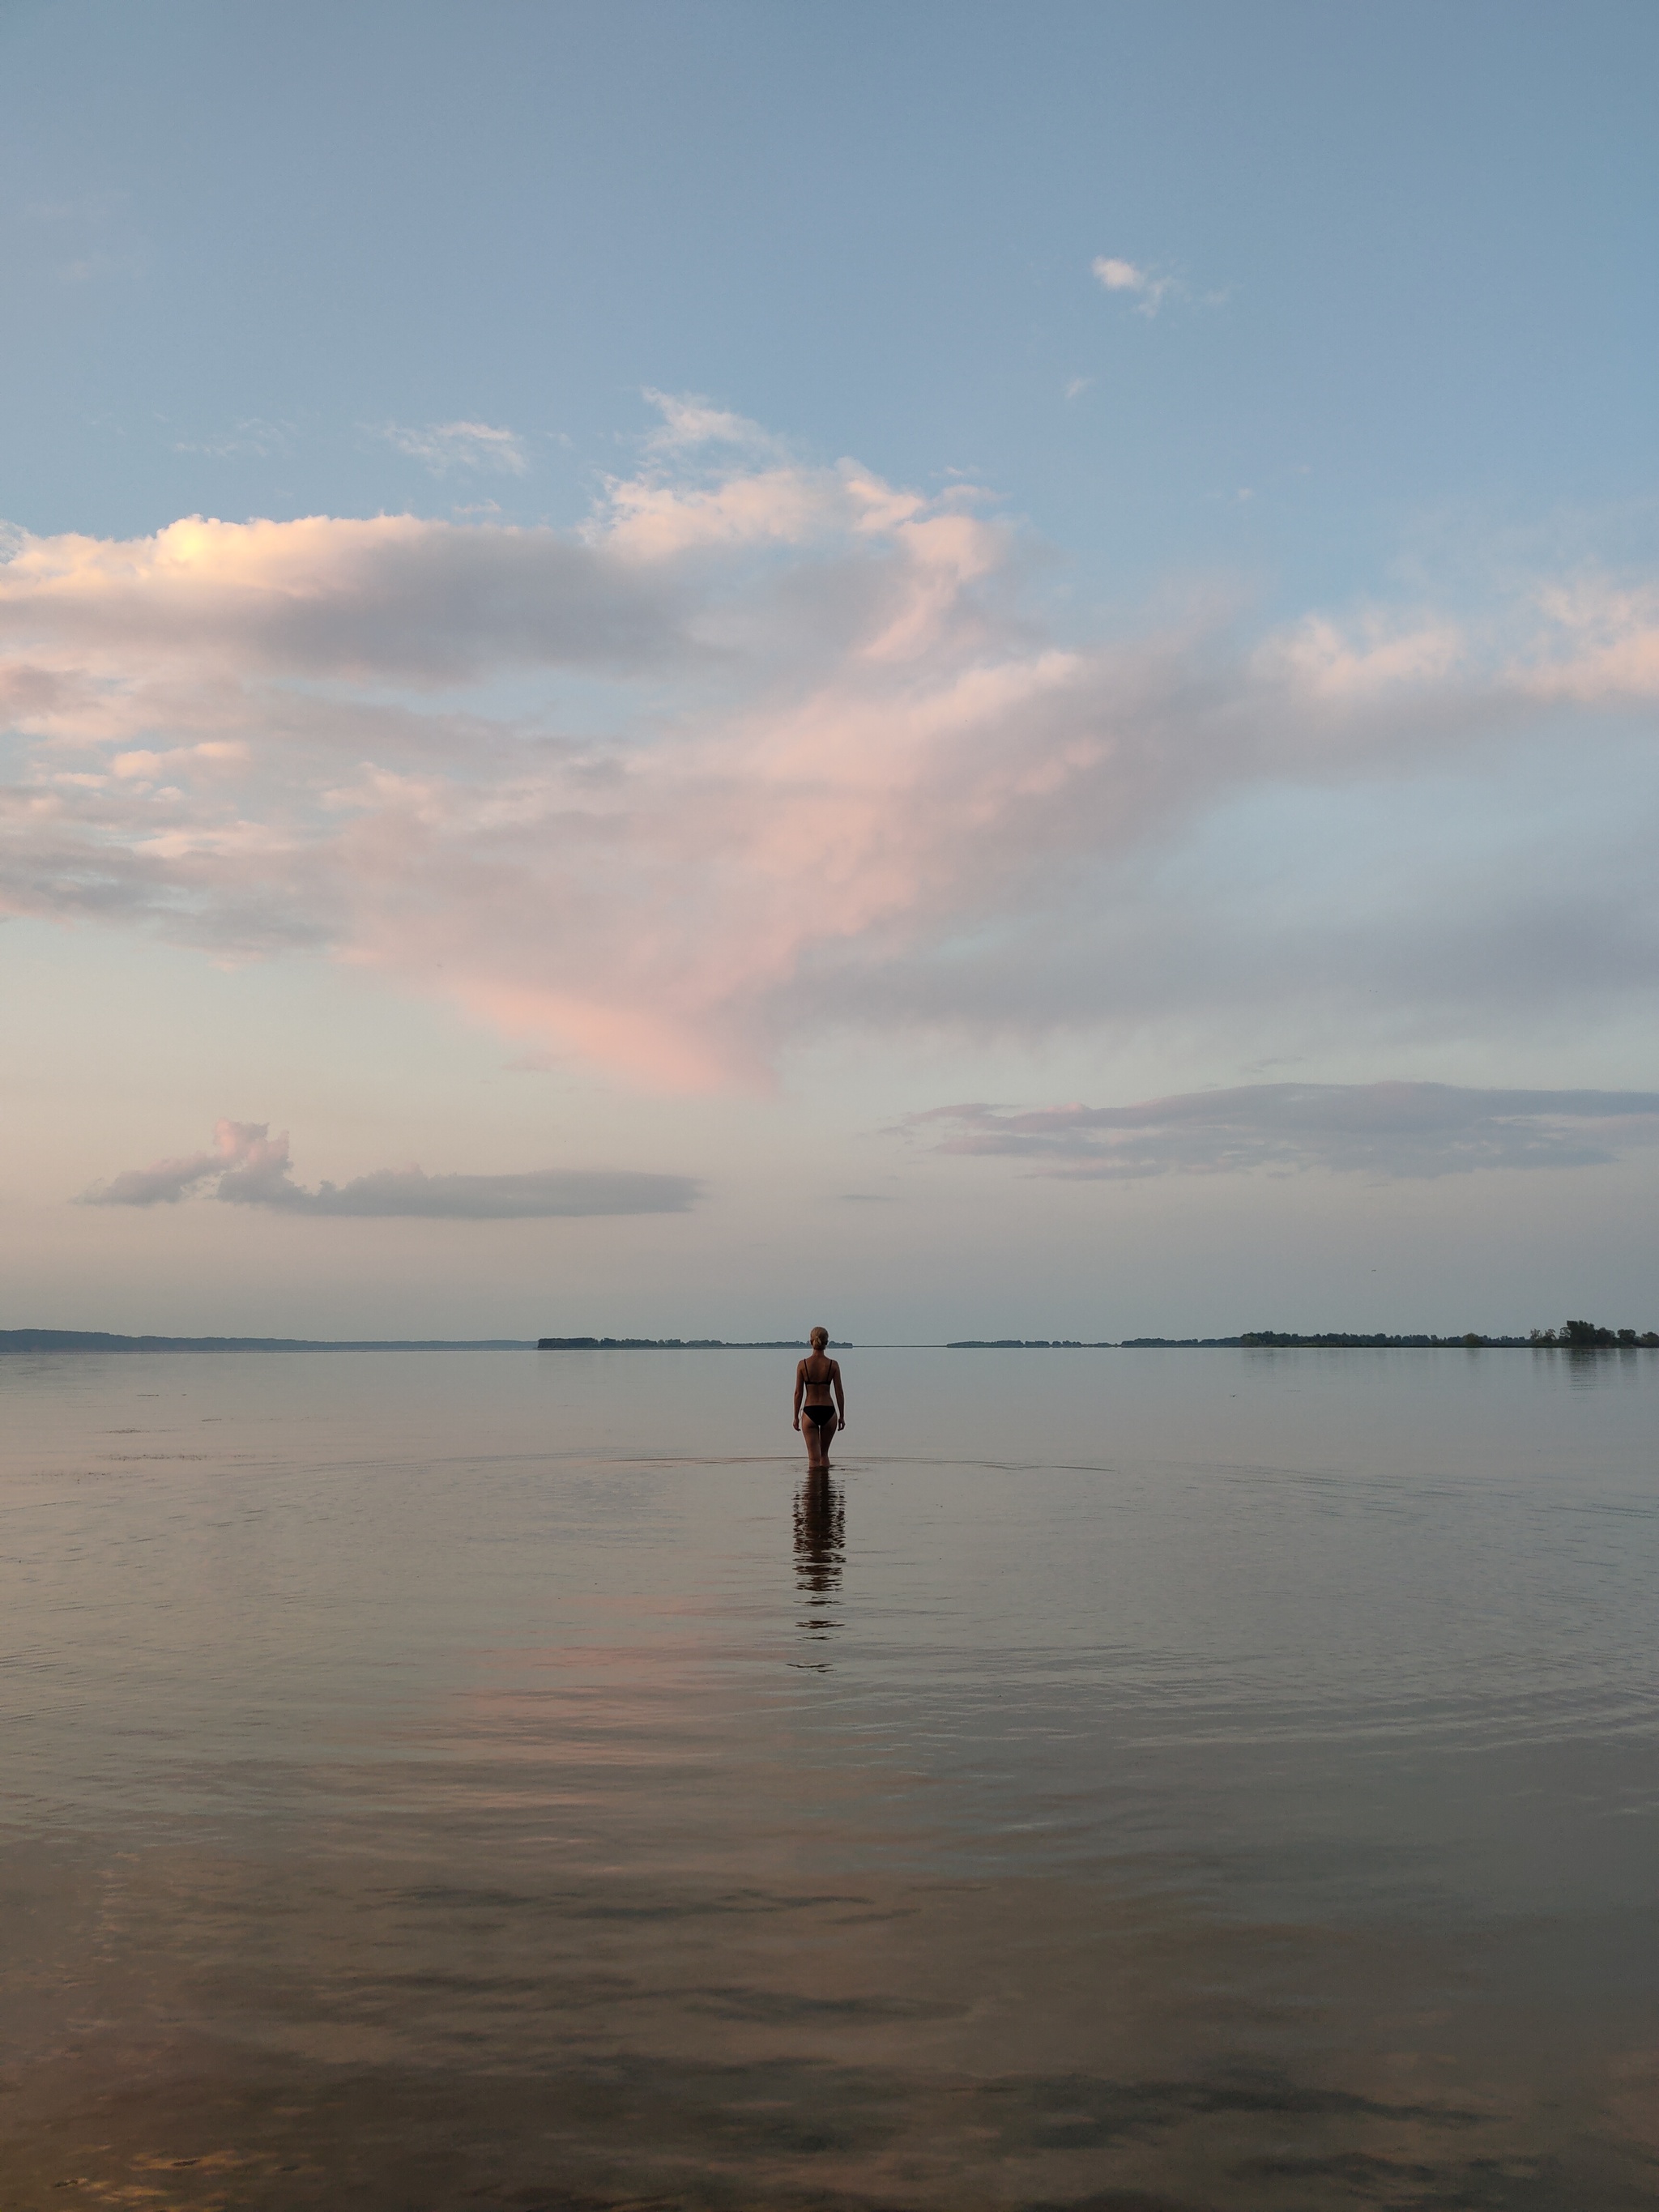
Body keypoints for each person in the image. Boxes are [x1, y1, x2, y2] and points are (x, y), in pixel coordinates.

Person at [792, 1327, 845, 1468]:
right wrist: (841, 1416)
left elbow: (798, 1393)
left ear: (811, 1342)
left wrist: (796, 1416)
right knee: (824, 1455)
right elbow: (839, 1392)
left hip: (810, 1411)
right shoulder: (833, 1365)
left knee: (813, 1460)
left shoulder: (802, 1365)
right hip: (829, 1411)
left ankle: (812, 1488)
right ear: (826, 1342)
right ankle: (826, 1488)